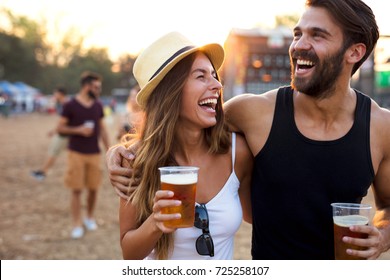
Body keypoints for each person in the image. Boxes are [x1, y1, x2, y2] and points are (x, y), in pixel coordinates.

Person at [107, 0, 390, 260]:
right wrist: (122, 152)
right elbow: (180, 126)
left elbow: (388, 209)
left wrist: (382, 237)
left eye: (317, 35)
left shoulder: (381, 128)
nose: (299, 45)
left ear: (355, 52)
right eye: (297, 34)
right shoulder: (251, 112)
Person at [116, 32, 253, 260]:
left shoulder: (237, 153)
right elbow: (129, 254)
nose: (217, 85)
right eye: (201, 76)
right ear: (171, 92)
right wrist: (155, 223)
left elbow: (257, 216)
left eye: (214, 75)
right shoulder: (135, 161)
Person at [57, 71, 110, 239]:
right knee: (77, 190)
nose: (98, 90)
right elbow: (60, 128)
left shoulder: (98, 106)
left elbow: (102, 129)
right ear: (87, 87)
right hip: (76, 153)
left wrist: (110, 150)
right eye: (96, 87)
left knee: (94, 189)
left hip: (94, 153)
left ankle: (89, 217)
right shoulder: (70, 105)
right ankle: (76, 224)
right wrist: (78, 129)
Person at [31, 87, 69, 181]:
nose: (54, 96)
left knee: (53, 152)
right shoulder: (65, 104)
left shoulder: (66, 104)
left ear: (60, 94)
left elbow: (63, 122)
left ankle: (42, 172)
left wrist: (54, 131)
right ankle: (42, 171)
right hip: (66, 134)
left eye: (55, 93)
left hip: (64, 134)